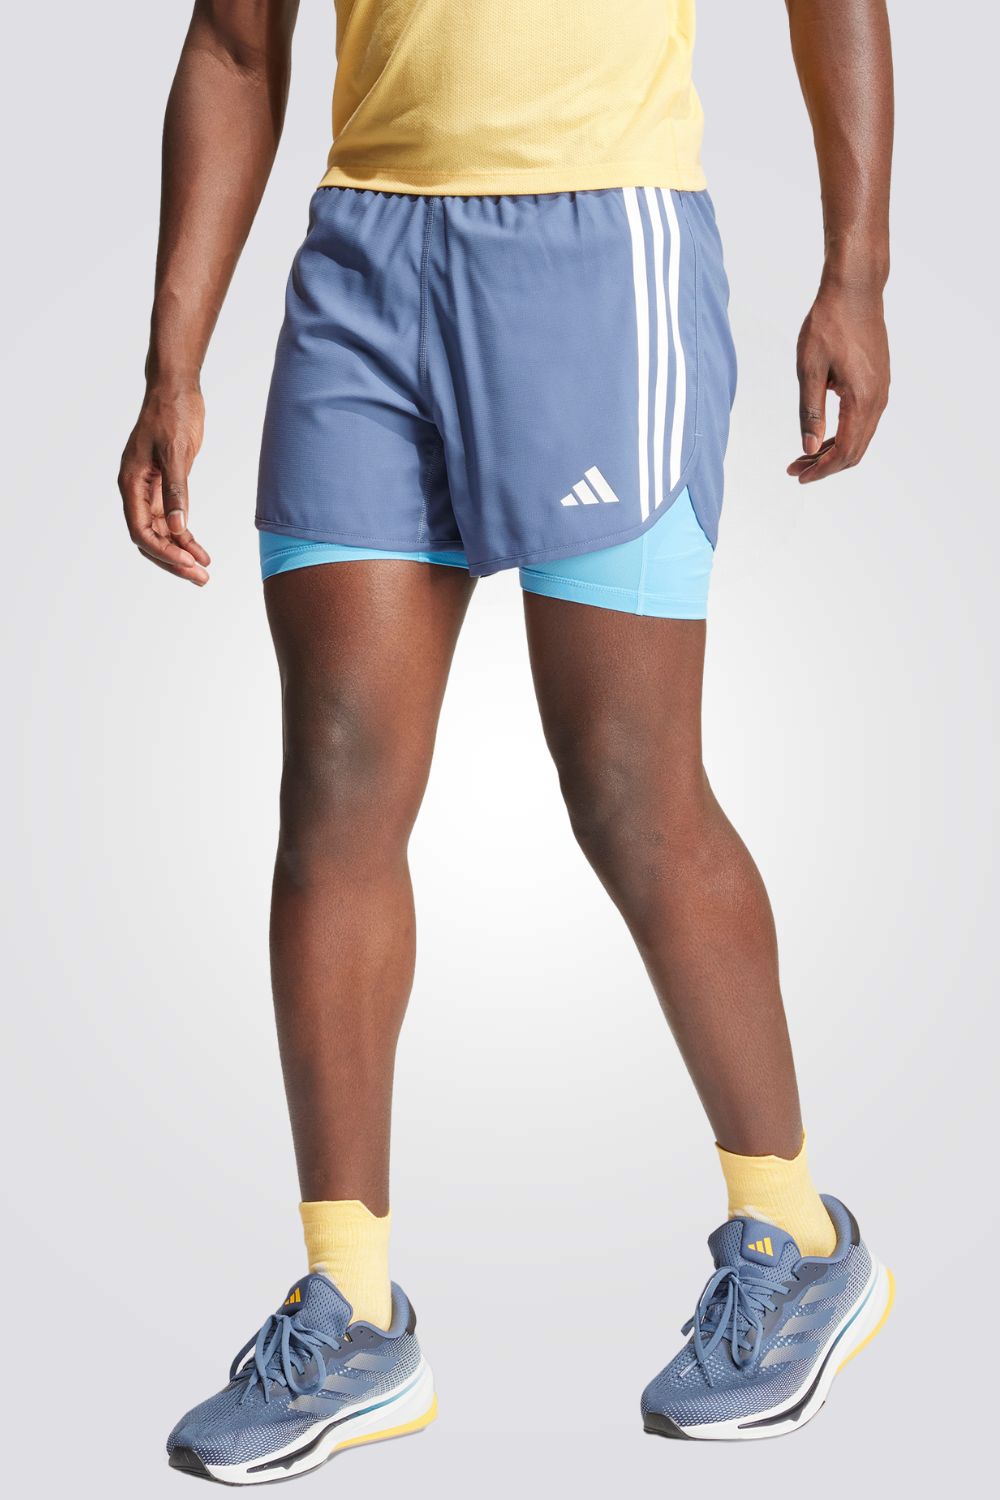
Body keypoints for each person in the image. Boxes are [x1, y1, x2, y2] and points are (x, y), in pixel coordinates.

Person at [119, 0, 894, 1478]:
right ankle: (352, 1308)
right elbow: (232, 42)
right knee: (334, 791)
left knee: (628, 786)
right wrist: (174, 362)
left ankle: (796, 1236)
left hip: (603, 248)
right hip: (365, 264)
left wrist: (854, 271)